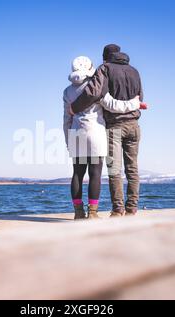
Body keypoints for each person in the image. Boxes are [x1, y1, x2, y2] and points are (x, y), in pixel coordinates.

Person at [63, 56, 141, 219]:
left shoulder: (67, 91)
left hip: (76, 134)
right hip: (95, 133)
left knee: (77, 173)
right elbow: (113, 105)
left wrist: (68, 140)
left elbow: (66, 119)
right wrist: (135, 104)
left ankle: (78, 213)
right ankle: (92, 213)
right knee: (95, 174)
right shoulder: (95, 87)